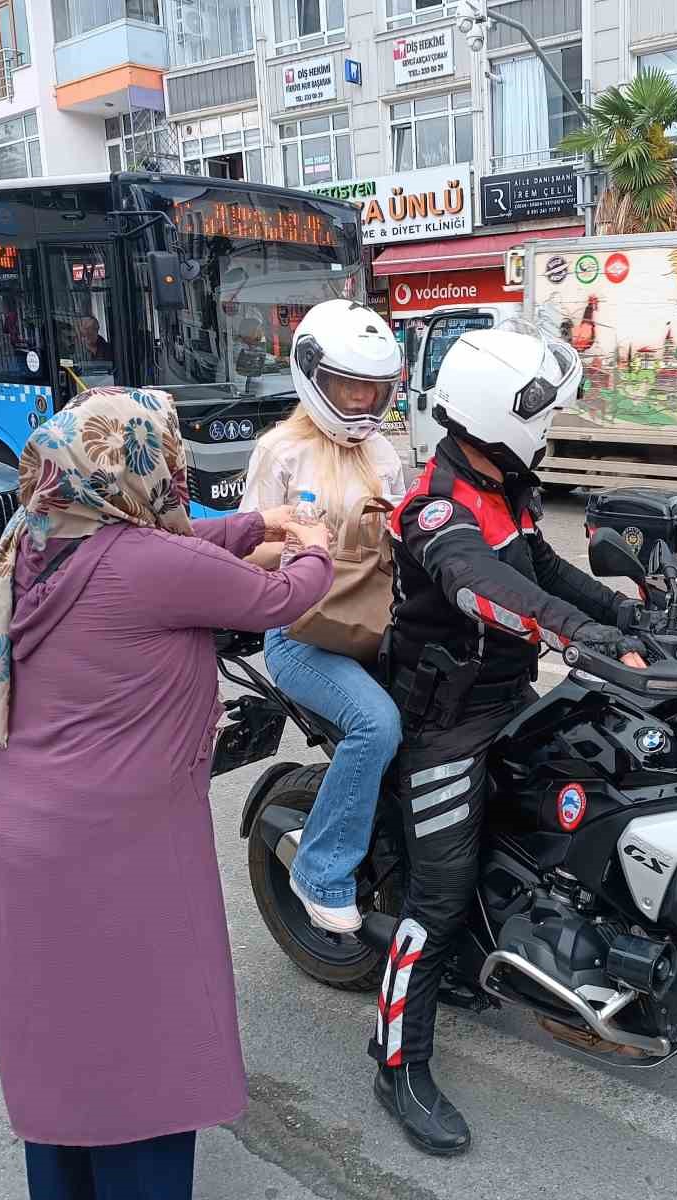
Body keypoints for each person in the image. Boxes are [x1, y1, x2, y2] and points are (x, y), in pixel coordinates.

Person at [0, 385, 334, 1200]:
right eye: (163, 457)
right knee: (146, 1050)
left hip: (17, 836)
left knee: (61, 1049)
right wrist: (310, 540)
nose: (172, 471)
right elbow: (283, 597)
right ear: (136, 470)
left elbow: (183, 544)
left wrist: (250, 526)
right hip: (112, 848)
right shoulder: (148, 565)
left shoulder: (40, 532)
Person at [370, 323, 646, 1155]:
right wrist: (571, 632)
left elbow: (541, 570)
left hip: (507, 696)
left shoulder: (507, 486)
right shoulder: (436, 508)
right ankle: (396, 1064)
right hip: (444, 725)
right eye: (543, 413)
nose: (551, 429)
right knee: (437, 898)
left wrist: (625, 613)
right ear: (500, 413)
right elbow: (479, 583)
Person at [238, 299, 406, 933]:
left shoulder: (383, 454)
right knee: (376, 726)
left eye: (373, 389)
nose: (362, 402)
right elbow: (248, 547)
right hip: (302, 632)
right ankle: (320, 870)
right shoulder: (281, 452)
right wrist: (307, 543)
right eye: (348, 387)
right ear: (313, 376)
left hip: (374, 624)